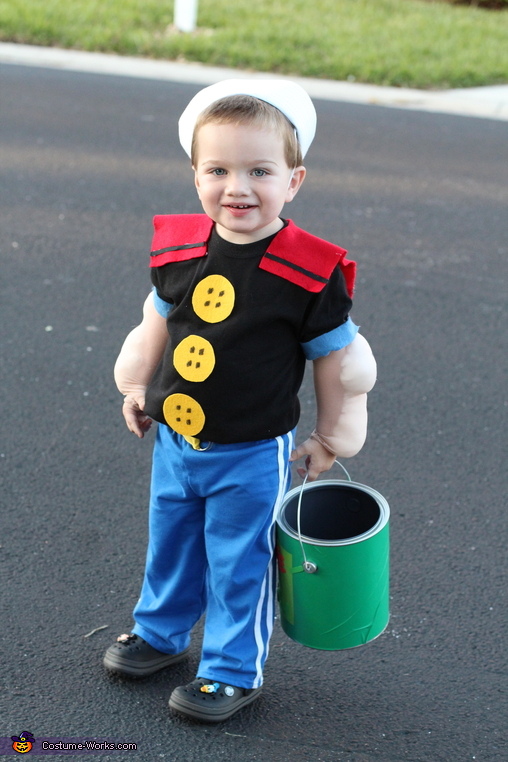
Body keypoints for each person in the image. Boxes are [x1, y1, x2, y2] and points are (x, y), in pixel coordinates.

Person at [103, 79, 377, 723]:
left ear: (295, 178)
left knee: (239, 558)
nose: (238, 187)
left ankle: (231, 669)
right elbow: (155, 325)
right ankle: (161, 634)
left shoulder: (308, 272)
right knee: (169, 542)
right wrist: (136, 386)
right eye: (218, 169)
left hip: (252, 451)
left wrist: (332, 438)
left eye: (260, 170)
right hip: (176, 441)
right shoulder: (181, 249)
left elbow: (342, 364)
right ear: (195, 173)